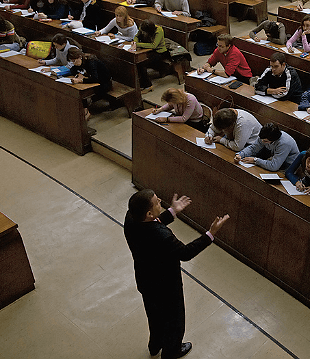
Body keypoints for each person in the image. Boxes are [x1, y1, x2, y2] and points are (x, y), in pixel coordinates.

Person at [124, 189, 228, 359]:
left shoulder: (131, 219)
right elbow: (186, 253)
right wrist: (211, 234)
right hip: (166, 286)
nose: (161, 202)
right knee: (174, 321)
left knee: (154, 316)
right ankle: (171, 351)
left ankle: (155, 345)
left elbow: (150, 223)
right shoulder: (161, 235)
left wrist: (172, 212)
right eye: (157, 202)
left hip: (145, 281)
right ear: (150, 213)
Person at [234, 123, 300, 172]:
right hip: (275, 160)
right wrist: (240, 154)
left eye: (265, 141)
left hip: (288, 166)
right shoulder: (265, 135)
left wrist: (255, 160)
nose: (262, 141)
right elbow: (254, 148)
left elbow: (274, 166)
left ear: (273, 140)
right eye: (261, 139)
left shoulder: (284, 143)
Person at [131, 19, 169, 93]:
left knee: (142, 63)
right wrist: (135, 42)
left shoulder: (159, 31)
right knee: (137, 61)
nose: (142, 32)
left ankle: (148, 86)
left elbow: (154, 45)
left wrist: (138, 44)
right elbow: (137, 36)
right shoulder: (142, 28)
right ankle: (141, 82)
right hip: (146, 50)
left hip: (159, 51)